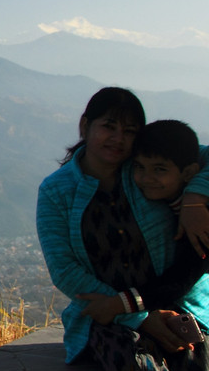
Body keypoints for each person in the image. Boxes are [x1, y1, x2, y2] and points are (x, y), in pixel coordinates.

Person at [37, 88, 209, 371]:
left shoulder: (145, 169)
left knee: (193, 362)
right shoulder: (57, 190)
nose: (118, 138)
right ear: (85, 126)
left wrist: (197, 198)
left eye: (129, 130)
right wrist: (135, 315)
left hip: (171, 302)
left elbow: (204, 157)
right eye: (108, 126)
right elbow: (64, 270)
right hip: (105, 315)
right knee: (143, 370)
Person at [80, 120, 209, 325]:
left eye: (159, 169)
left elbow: (179, 281)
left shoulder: (200, 224)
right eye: (139, 167)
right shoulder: (166, 203)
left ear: (188, 173)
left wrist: (117, 305)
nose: (146, 178)